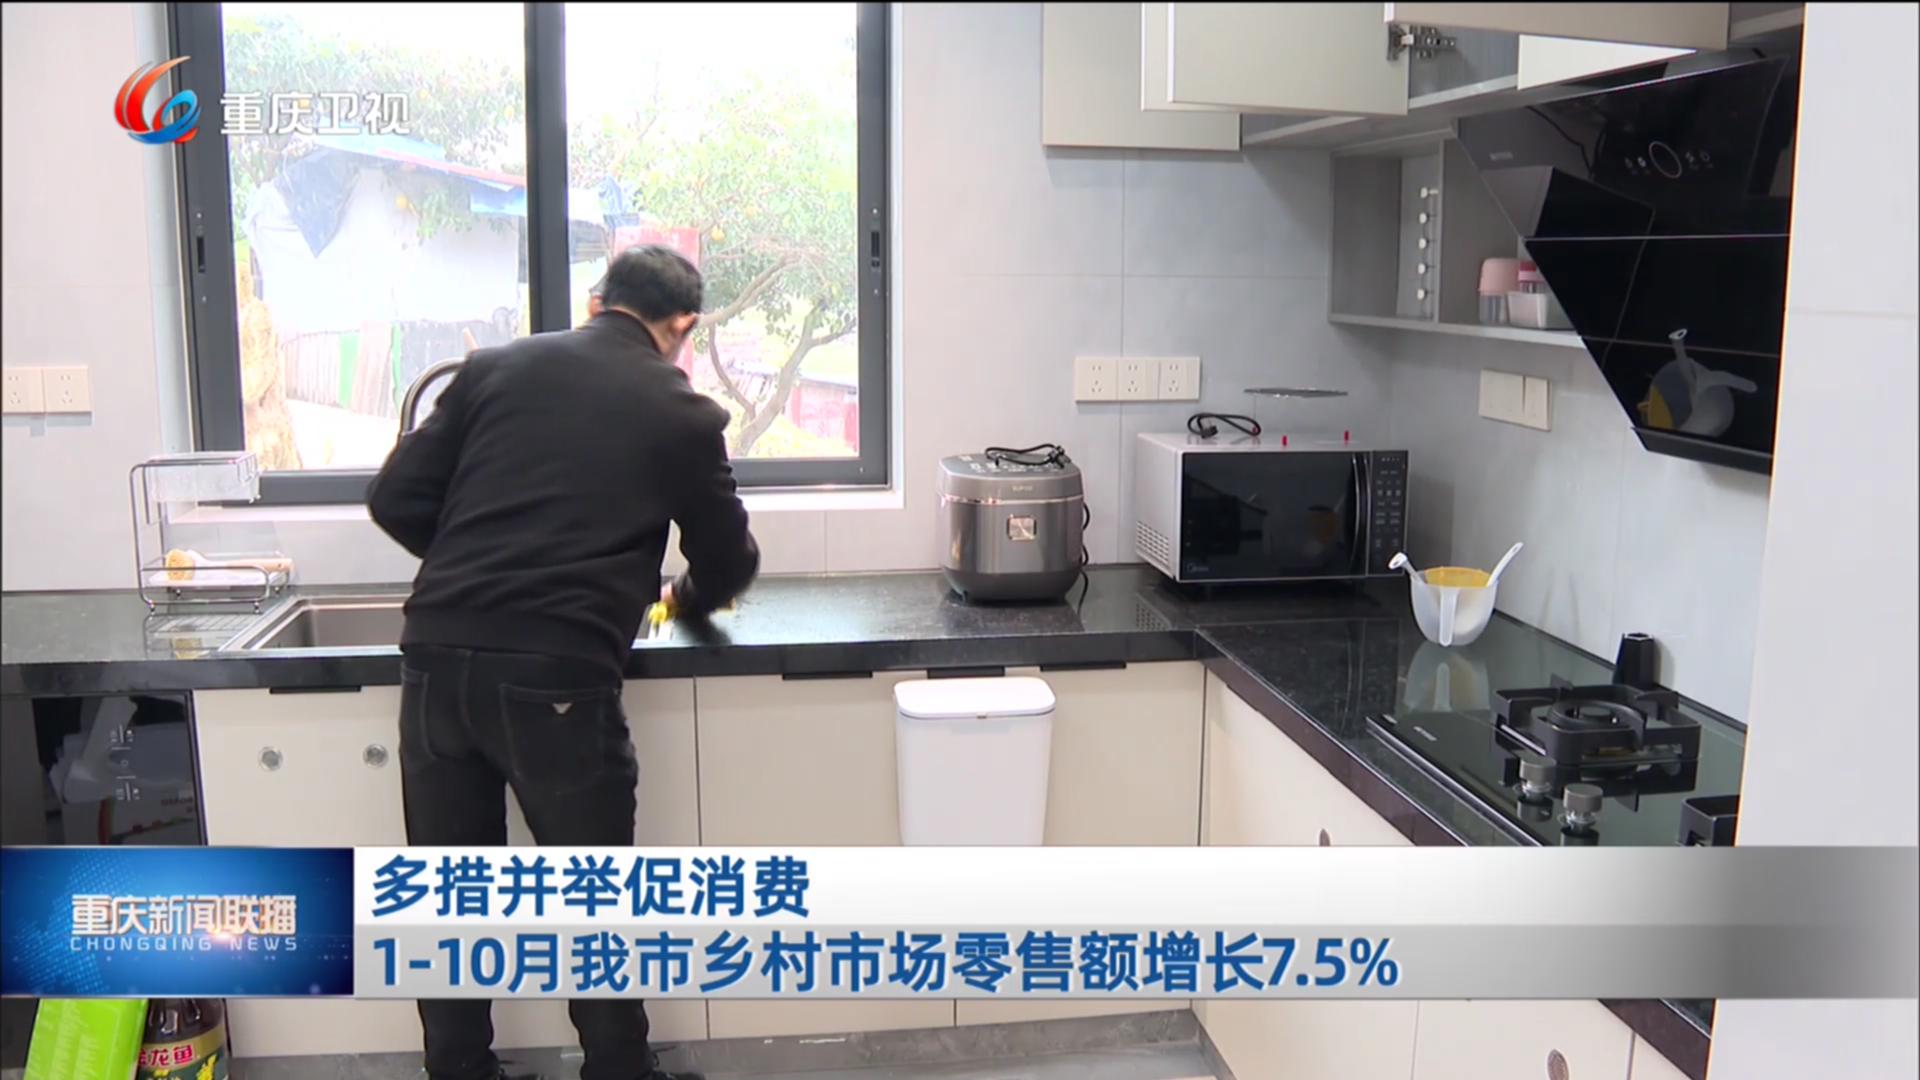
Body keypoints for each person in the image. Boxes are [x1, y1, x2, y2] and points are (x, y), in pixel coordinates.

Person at [368, 245, 757, 1080]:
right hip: (555, 675)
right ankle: (618, 1071)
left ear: (594, 302)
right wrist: (672, 602)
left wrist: (479, 571)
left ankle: (459, 1072)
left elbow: (392, 499)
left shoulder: (493, 368)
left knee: (447, 898)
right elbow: (729, 564)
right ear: (683, 326)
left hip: (433, 660)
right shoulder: (682, 412)